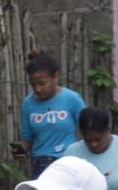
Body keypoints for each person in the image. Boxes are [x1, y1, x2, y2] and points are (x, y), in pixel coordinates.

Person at [18, 50, 87, 179]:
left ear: (55, 77)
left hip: (68, 163)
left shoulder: (72, 98)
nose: (37, 89)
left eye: (42, 83)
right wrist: (20, 150)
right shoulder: (28, 103)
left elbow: (89, 128)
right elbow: (27, 137)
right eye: (33, 84)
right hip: (41, 165)